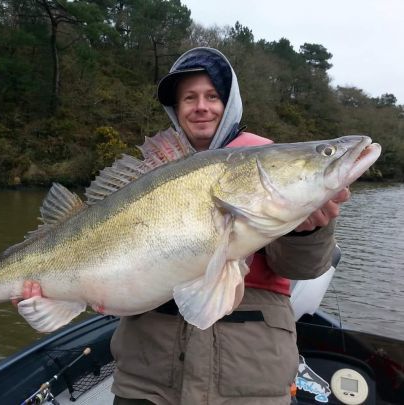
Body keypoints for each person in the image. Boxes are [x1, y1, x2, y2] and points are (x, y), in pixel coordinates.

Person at [17, 47, 350, 404]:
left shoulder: (262, 166)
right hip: (148, 381)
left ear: (230, 103)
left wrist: (312, 230)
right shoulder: (150, 173)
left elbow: (302, 268)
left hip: (249, 380)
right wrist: (57, 296)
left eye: (212, 96)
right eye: (189, 98)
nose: (201, 106)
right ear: (176, 109)